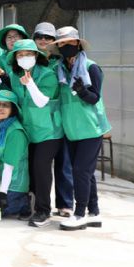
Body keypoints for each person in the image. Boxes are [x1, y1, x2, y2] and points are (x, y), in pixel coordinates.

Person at [0, 39, 64, 228]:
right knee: (28, 168)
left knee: (41, 168)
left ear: (36, 55)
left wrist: (31, 83)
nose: (24, 57)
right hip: (27, 130)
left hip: (48, 131)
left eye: (28, 54)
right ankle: (28, 205)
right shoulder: (14, 76)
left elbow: (42, 102)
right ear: (15, 58)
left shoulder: (48, 75)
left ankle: (43, 211)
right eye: (20, 54)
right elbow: (14, 100)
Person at [52, 27, 111, 231]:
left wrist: (82, 91)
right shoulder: (60, 69)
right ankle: (94, 212)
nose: (65, 46)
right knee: (86, 173)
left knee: (79, 171)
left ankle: (79, 214)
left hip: (91, 128)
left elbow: (94, 98)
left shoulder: (91, 67)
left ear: (77, 43)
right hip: (72, 129)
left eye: (69, 42)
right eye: (61, 43)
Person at [33, 21, 73, 216]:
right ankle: (38, 202)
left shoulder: (61, 62)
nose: (43, 40)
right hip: (39, 121)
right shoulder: (29, 61)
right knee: (39, 165)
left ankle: (65, 203)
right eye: (39, 37)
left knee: (63, 162)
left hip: (62, 117)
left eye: (48, 37)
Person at [0, 90, 31, 219]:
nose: (0, 108)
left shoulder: (15, 132)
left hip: (13, 185)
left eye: (6, 105)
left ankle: (24, 202)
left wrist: (2, 193)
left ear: (13, 109)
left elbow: (9, 168)